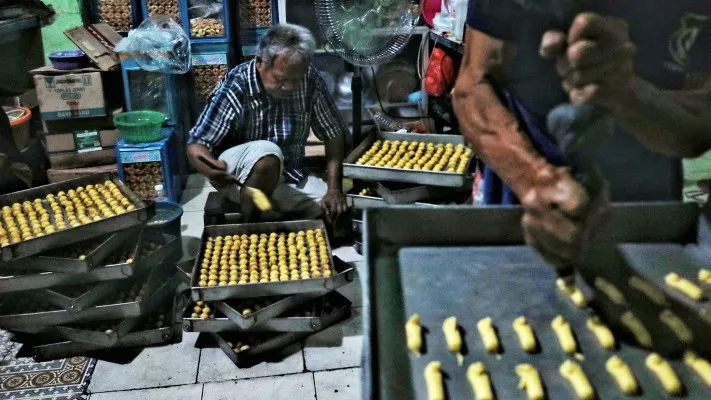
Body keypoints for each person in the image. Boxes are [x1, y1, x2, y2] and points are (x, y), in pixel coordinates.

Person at [453, 2, 711, 269]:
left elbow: (702, 117)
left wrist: (628, 94)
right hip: (525, 170)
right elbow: (473, 84)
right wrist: (533, 178)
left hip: (645, 187)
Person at [187, 24, 348, 223]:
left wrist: (334, 189)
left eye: (295, 80)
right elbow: (197, 143)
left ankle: (272, 208)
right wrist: (210, 168)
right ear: (259, 63)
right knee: (268, 154)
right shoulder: (238, 84)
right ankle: (251, 224)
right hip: (239, 176)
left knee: (336, 216)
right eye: (280, 79)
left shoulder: (310, 79)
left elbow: (334, 133)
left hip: (289, 175)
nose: (288, 87)